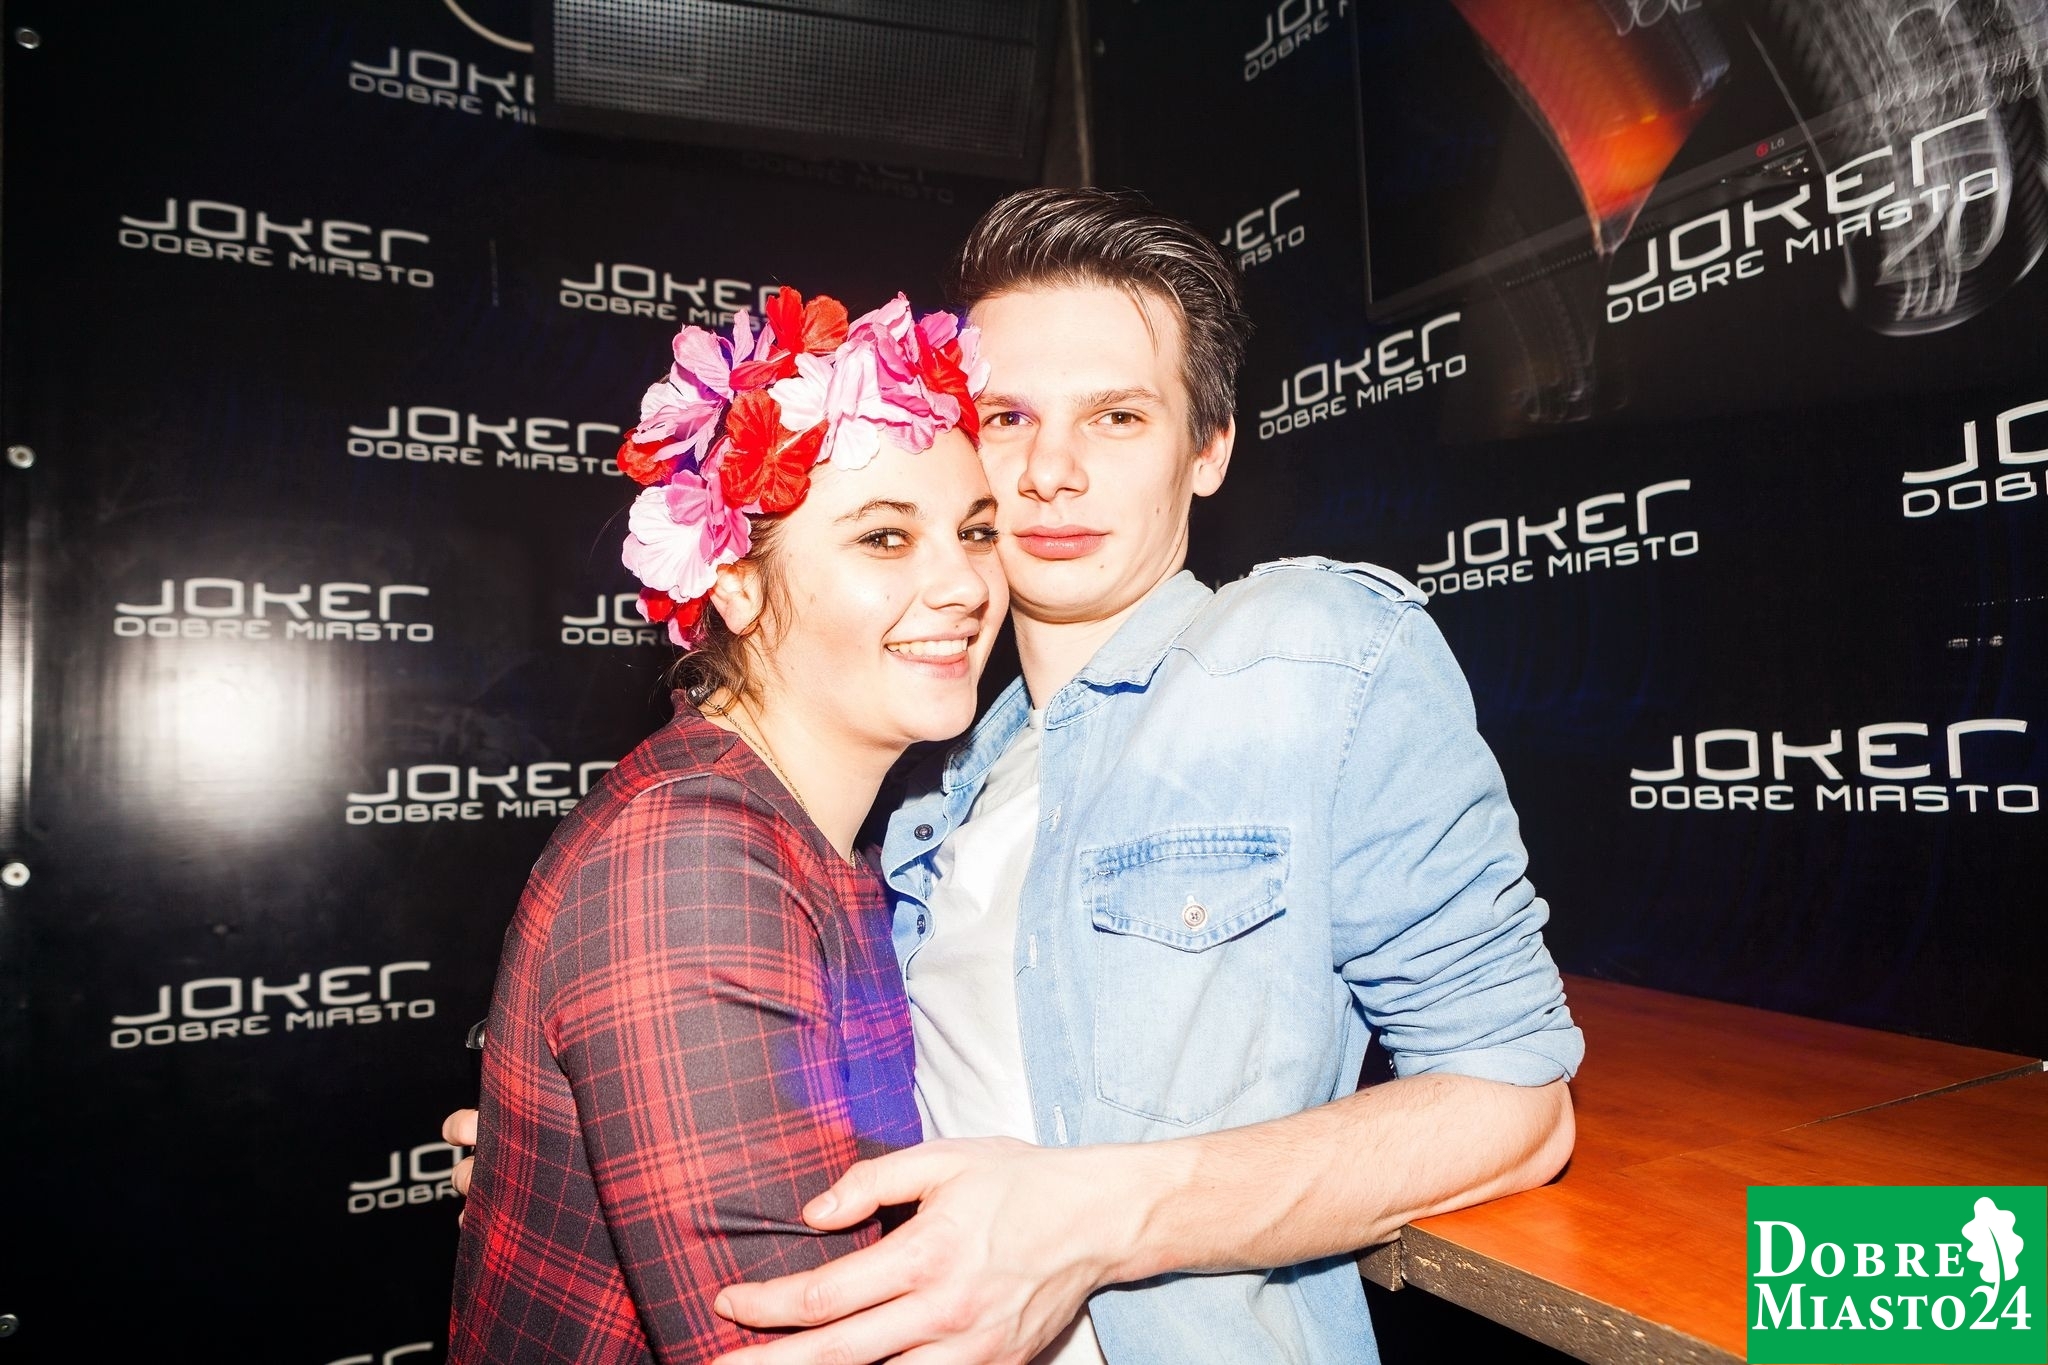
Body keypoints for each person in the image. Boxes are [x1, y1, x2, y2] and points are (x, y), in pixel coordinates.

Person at [451, 189, 1583, 1365]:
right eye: (1006, 417)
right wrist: (617, 1142)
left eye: (1116, 417)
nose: (1049, 470)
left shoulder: (1308, 657)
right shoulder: (918, 771)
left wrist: (1092, 1221)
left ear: (1207, 450)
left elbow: (1517, 1104)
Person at [446, 287, 1008, 1364]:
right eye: (884, 537)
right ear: (737, 586)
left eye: (975, 530)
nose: (963, 582)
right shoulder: (694, 860)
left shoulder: (822, 840)